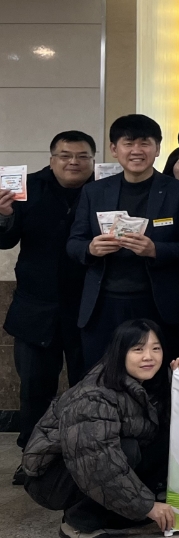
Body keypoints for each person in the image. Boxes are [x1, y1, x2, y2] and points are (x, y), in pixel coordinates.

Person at [22, 320, 179, 538]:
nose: (148, 356)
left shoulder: (148, 382)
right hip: (53, 479)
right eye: (138, 349)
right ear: (120, 352)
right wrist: (147, 506)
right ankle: (78, 521)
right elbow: (96, 461)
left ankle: (119, 514)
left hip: (92, 464)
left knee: (162, 440)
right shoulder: (94, 396)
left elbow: (176, 425)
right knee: (127, 450)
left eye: (156, 348)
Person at [0, 131, 96, 480]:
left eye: (82, 156)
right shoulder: (26, 188)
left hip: (88, 308)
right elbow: (5, 240)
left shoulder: (105, 189)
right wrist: (3, 215)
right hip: (36, 308)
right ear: (52, 158)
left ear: (93, 159)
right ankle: (32, 459)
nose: (74, 162)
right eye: (65, 155)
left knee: (89, 387)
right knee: (35, 389)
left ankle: (87, 460)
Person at [68, 114, 179, 366]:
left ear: (157, 148)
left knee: (157, 379)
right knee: (102, 377)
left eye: (145, 143)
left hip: (157, 305)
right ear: (114, 149)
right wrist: (91, 248)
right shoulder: (94, 191)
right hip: (103, 306)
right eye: (128, 143)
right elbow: (74, 243)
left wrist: (155, 250)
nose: (137, 150)